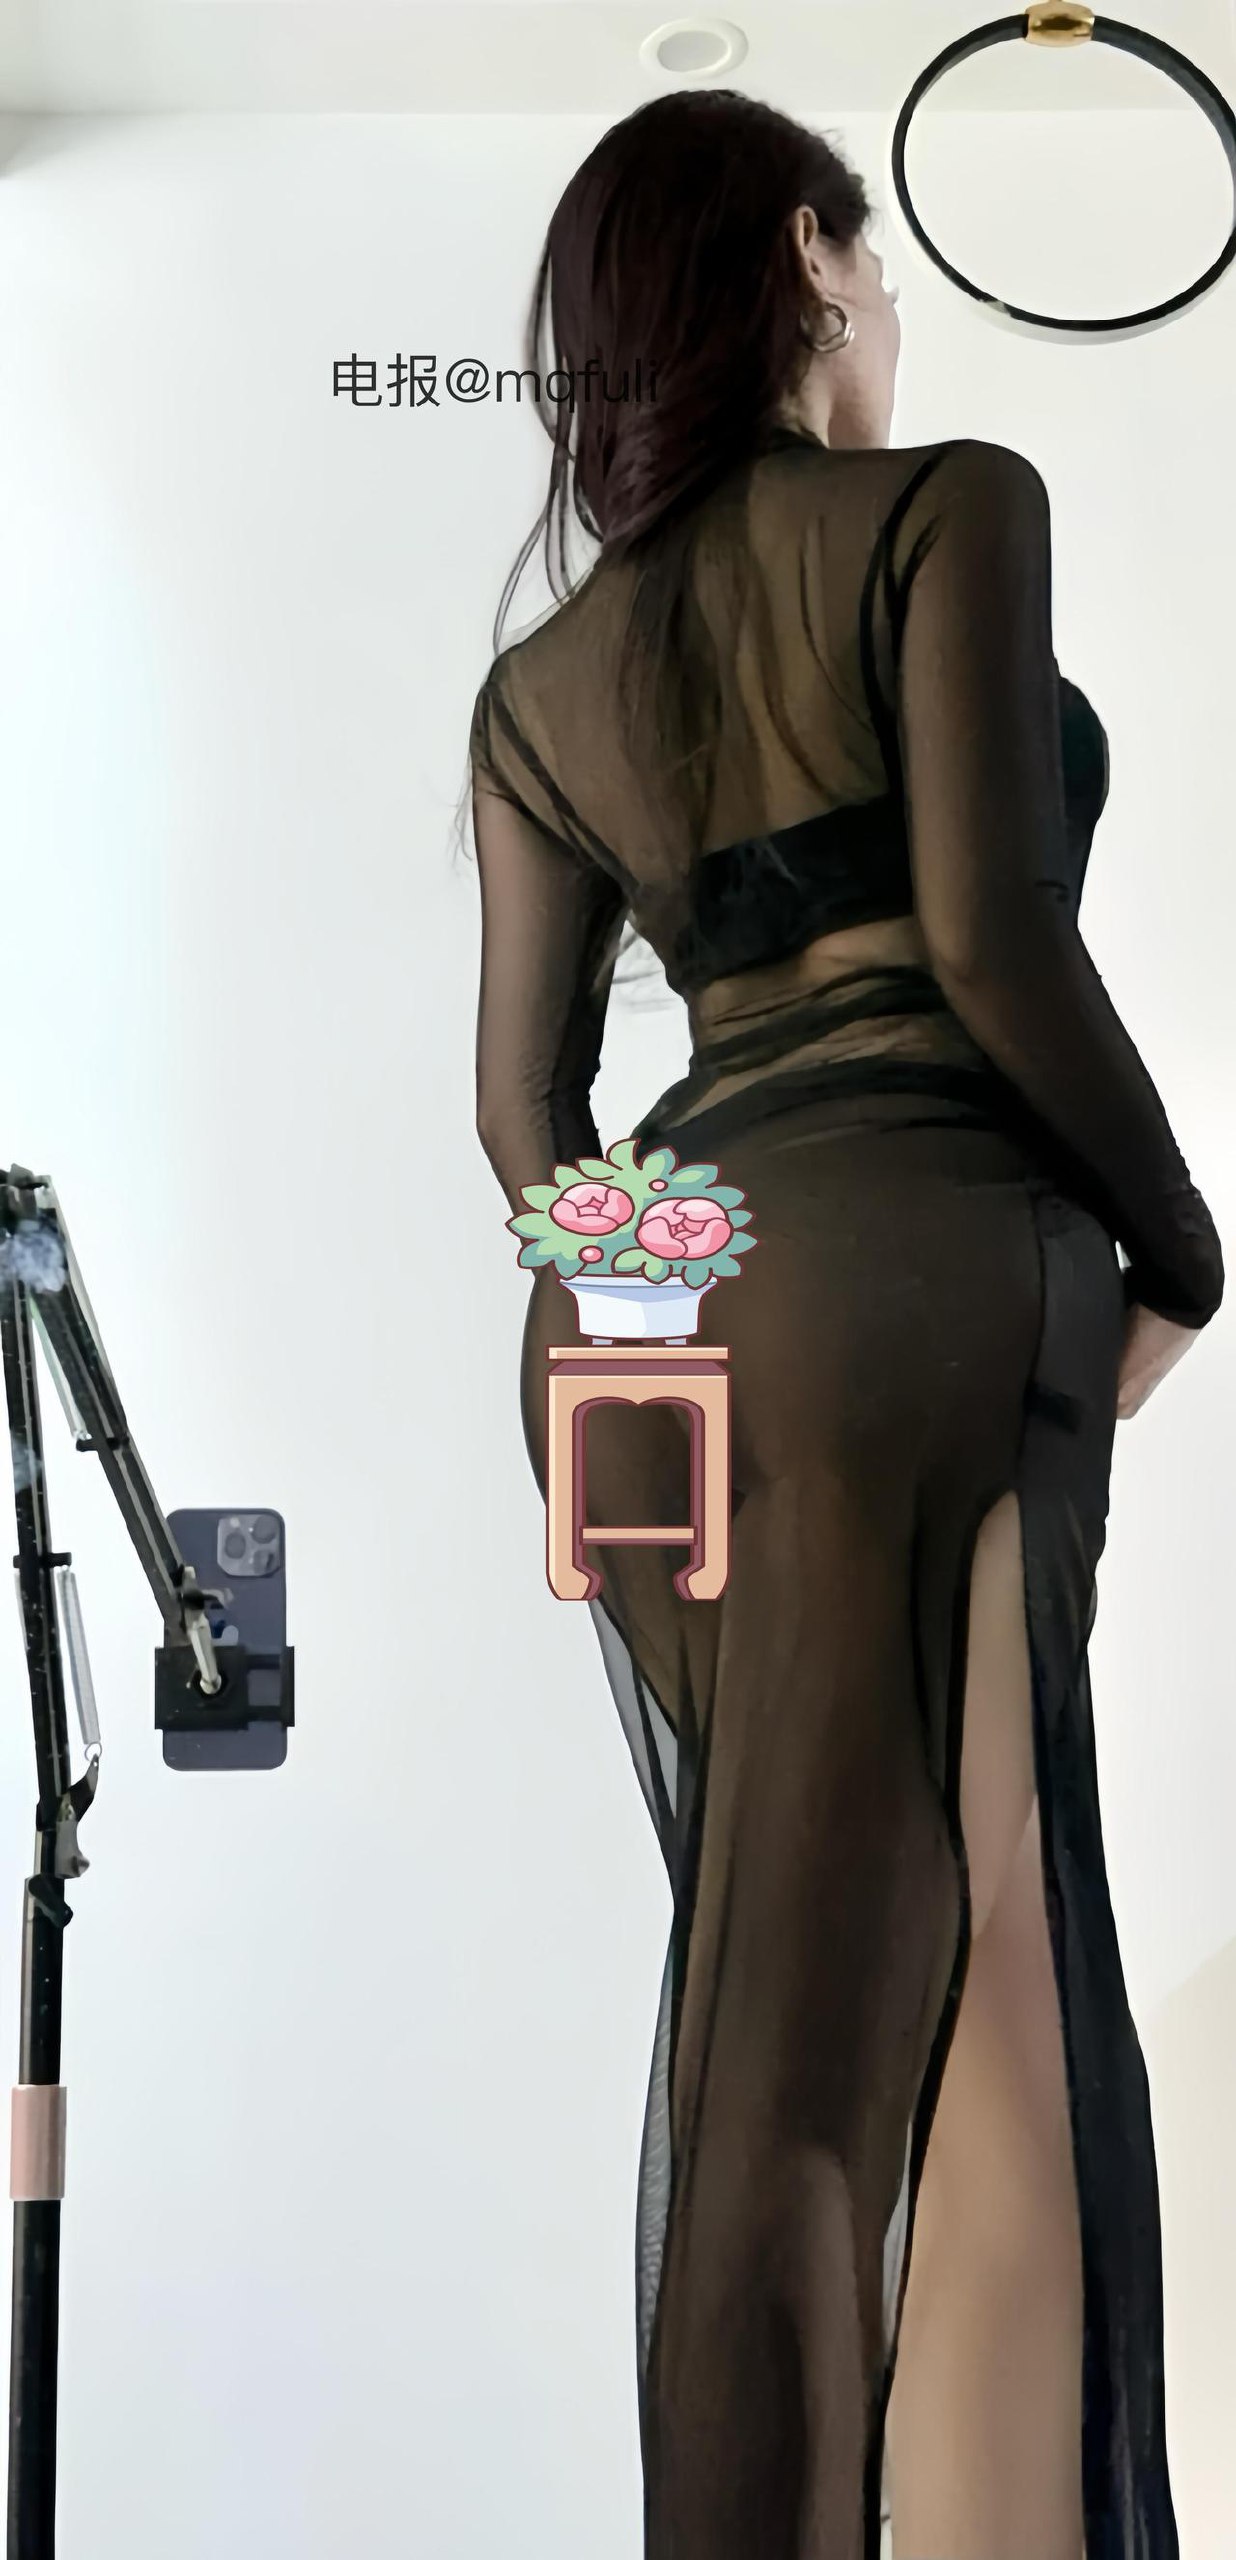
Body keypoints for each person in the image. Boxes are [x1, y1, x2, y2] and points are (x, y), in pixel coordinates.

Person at [465, 87, 1223, 2560]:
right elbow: (995, 945)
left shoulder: (542, 687)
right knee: (989, 1973)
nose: (886, 300)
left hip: (644, 1327)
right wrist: (1189, 1254)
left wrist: (675, 1280)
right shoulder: (944, 510)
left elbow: (526, 1126)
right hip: (919, 1258)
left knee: (777, 2004)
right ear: (805, 256)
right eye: (866, 256)